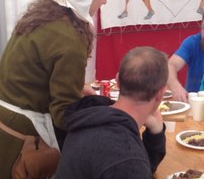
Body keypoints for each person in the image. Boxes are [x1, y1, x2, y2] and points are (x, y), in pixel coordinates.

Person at [0, 0, 115, 178]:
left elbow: (34, 74)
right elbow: (63, 113)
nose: (104, 1)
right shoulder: (69, 40)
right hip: (18, 140)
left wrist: (76, 91)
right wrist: (107, 119)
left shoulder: (44, 15)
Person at [55, 46, 167, 178]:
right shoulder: (125, 156)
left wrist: (156, 134)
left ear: (118, 81)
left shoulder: (93, 117)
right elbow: (130, 167)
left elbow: (140, 168)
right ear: (161, 93)